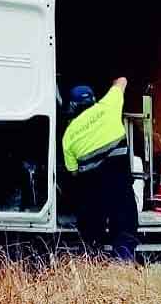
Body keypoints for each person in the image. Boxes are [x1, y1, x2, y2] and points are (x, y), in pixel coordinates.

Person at [61, 77, 139, 261]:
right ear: (93, 99)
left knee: (90, 227)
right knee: (125, 224)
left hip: (92, 191)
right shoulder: (108, 105)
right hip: (120, 184)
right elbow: (122, 80)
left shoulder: (68, 136)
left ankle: (93, 262)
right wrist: (113, 84)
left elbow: (73, 173)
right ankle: (124, 264)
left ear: (72, 106)